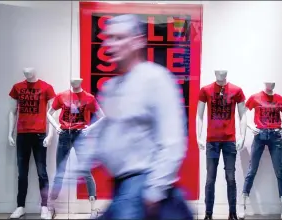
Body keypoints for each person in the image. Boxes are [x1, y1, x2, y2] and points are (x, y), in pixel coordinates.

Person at [71, 14, 193, 219]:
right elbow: (95, 144)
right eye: (108, 38)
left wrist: (154, 191)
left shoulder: (155, 78)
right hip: (122, 188)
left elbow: (172, 141)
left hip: (142, 187)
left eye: (119, 38)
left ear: (138, 41)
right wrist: (63, 180)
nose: (110, 44)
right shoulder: (110, 88)